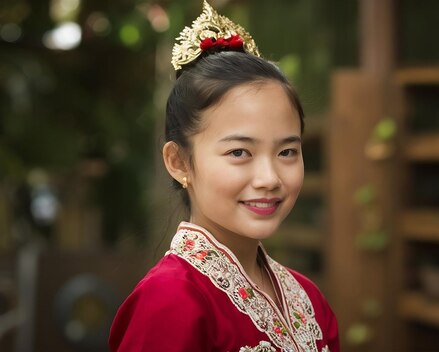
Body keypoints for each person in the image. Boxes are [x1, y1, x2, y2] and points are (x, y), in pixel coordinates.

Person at [108, 2, 340, 351]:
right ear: (179, 162)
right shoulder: (168, 301)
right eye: (239, 153)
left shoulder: (308, 299)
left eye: (287, 152)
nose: (269, 177)